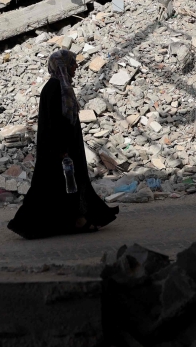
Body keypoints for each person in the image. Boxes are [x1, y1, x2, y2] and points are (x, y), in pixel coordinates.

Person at [7, 49, 118, 239]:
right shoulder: (54, 89)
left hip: (66, 147)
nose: (76, 67)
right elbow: (54, 123)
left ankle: (78, 219)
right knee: (52, 187)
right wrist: (61, 150)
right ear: (62, 65)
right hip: (58, 149)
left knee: (69, 185)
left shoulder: (63, 86)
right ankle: (35, 224)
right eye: (72, 63)